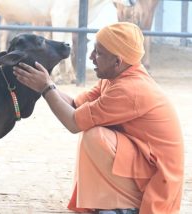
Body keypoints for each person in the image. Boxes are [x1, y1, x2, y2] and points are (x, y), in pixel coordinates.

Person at [12, 22, 184, 214]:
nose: (91, 57)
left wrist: (45, 88)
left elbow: (74, 122)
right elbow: (75, 106)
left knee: (95, 136)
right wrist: (47, 83)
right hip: (143, 164)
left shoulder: (130, 89)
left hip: (158, 180)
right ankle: (113, 203)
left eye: (98, 53)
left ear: (117, 61)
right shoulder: (115, 78)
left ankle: (128, 207)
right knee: (93, 133)